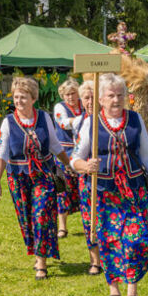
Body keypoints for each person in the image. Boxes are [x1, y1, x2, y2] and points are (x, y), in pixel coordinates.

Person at [71, 74, 148, 296]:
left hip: (132, 190)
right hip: (103, 192)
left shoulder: (134, 120)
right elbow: (74, 158)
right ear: (101, 99)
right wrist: (86, 166)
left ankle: (132, 292)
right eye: (111, 95)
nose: (116, 99)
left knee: (136, 240)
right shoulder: (91, 123)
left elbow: (147, 155)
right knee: (108, 242)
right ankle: (115, 292)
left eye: (120, 95)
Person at [0, 77, 72, 281]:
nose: (18, 101)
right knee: (27, 219)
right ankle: (37, 253)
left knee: (41, 215)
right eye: (16, 97)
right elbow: (1, 153)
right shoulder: (8, 123)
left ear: (33, 98)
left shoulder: (44, 118)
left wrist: (70, 164)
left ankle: (41, 262)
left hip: (43, 175)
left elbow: (55, 145)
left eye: (23, 97)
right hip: (18, 178)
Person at [71, 80, 104, 275]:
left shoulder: (108, 119)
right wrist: (84, 166)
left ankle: (112, 256)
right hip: (87, 177)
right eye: (86, 98)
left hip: (108, 177)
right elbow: (76, 154)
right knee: (89, 218)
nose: (90, 101)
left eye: (93, 97)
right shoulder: (78, 122)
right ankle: (95, 261)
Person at [52, 79, 84, 235]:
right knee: (63, 189)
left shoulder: (84, 105)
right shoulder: (59, 107)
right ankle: (62, 226)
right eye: (67, 95)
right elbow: (64, 123)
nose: (71, 97)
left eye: (73, 93)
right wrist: (85, 120)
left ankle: (90, 222)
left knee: (85, 187)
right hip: (65, 153)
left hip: (83, 152)